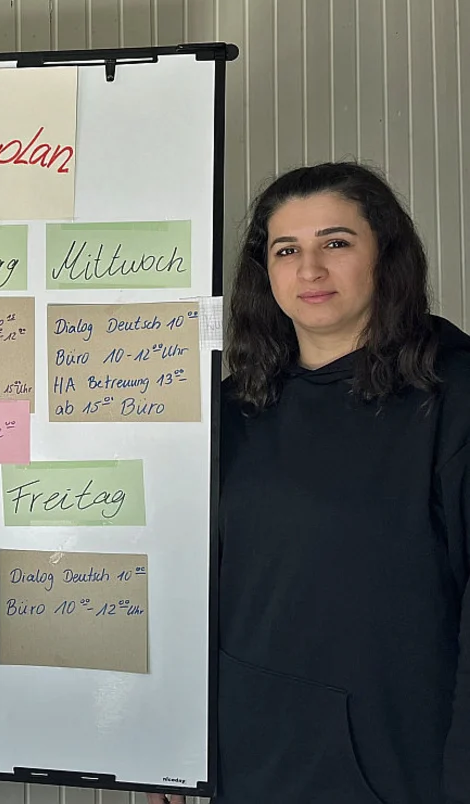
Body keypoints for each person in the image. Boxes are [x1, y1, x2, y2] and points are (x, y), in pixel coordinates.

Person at [151, 162, 469, 804]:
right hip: (247, 759)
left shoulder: (452, 395)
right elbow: (187, 590)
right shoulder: (229, 410)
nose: (310, 270)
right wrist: (173, 744)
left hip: (396, 765)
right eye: (286, 250)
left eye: (336, 242)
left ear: (387, 255)